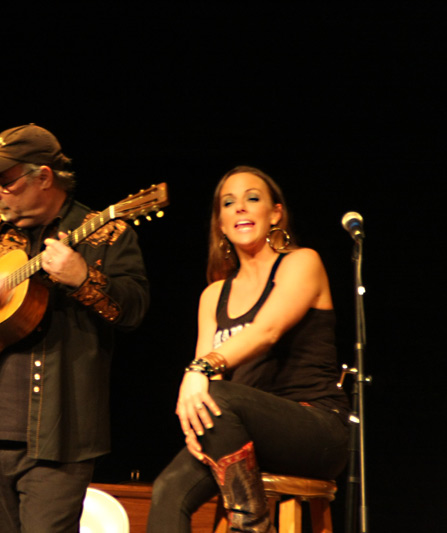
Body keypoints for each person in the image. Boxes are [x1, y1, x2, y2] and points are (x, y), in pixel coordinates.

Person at [0, 124, 150, 532]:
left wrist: (81, 276)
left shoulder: (106, 234)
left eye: (3, 183)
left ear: (44, 177)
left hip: (59, 438)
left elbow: (134, 309)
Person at [147, 166, 350, 533]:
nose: (240, 207)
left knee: (217, 392)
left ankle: (252, 527)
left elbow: (266, 331)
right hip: (239, 431)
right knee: (166, 491)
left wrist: (198, 370)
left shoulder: (302, 262)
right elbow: (206, 386)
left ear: (275, 213)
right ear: (220, 224)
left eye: (252, 198)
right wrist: (194, 424)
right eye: (229, 203)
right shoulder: (213, 295)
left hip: (317, 428)